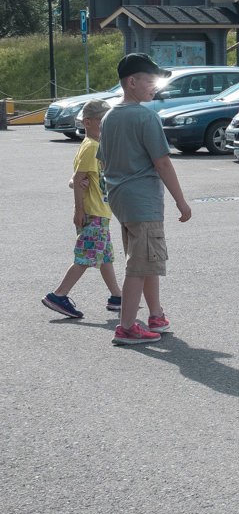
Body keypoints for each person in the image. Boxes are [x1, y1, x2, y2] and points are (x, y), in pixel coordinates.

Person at [99, 53, 193, 346]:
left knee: (147, 258)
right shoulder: (145, 116)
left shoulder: (109, 115)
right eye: (150, 81)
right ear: (132, 82)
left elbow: (104, 159)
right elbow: (162, 162)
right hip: (143, 200)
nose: (155, 87)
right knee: (140, 264)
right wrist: (181, 201)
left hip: (121, 198)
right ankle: (127, 327)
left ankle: (156, 315)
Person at [42, 98, 122, 320]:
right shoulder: (91, 147)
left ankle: (117, 296)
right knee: (86, 257)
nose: (107, 125)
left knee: (105, 256)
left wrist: (75, 183)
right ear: (88, 122)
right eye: (102, 120)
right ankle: (58, 295)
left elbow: (78, 178)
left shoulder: (96, 145)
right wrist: (79, 210)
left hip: (101, 212)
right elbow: (78, 178)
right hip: (92, 213)